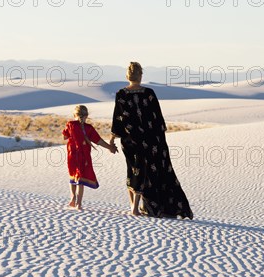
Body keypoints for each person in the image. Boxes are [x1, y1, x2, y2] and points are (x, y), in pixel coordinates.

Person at [110, 62, 193, 219]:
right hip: (152, 141)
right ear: (140, 75)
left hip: (130, 142)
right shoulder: (149, 93)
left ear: (127, 76)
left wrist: (112, 140)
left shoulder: (121, 94)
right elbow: (158, 120)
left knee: (133, 170)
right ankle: (146, 207)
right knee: (151, 171)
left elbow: (117, 120)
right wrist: (160, 143)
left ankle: (134, 207)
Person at [63, 105, 117, 210]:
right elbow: (99, 141)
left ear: (74, 115)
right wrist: (110, 147)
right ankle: (79, 203)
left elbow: (65, 136)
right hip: (84, 156)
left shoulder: (70, 124)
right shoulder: (89, 128)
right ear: (87, 115)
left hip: (72, 155)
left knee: (72, 175)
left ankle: (73, 197)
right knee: (81, 178)